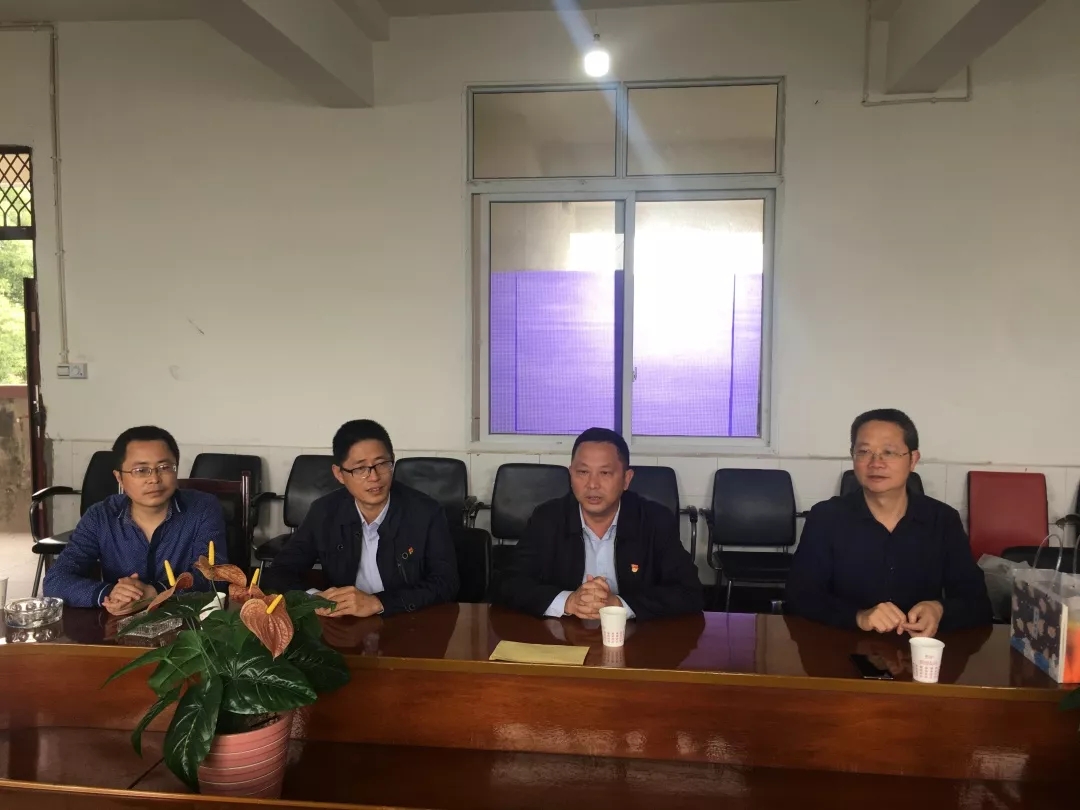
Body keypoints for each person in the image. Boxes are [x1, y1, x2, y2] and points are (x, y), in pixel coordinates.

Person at [786, 409, 992, 637]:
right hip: (842, 644)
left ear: (913, 460)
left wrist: (939, 609)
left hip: (918, 648)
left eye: (889, 452)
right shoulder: (826, 517)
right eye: (864, 452)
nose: (876, 463)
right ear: (853, 457)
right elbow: (799, 597)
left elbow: (977, 603)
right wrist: (858, 617)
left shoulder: (942, 520)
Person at [497, 427, 703, 622]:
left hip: (634, 637)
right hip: (563, 635)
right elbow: (508, 583)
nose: (592, 485)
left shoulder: (654, 520)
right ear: (571, 475)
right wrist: (569, 601)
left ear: (626, 479)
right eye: (583, 472)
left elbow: (690, 591)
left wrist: (619, 605)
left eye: (605, 473)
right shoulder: (548, 518)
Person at [262, 419, 458, 616]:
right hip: (345, 622)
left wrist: (379, 603)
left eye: (382, 464)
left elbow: (446, 583)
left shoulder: (426, 512)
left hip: (407, 620)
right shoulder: (324, 512)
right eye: (360, 469)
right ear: (339, 474)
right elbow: (279, 572)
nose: (374, 477)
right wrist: (314, 599)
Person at [44, 426, 226, 614]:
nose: (154, 479)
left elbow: (215, 576)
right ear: (119, 477)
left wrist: (156, 593)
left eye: (164, 467)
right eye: (141, 470)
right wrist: (110, 593)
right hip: (119, 623)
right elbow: (56, 580)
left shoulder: (203, 509)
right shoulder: (100, 516)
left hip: (188, 620)